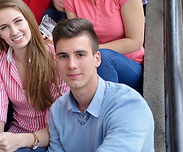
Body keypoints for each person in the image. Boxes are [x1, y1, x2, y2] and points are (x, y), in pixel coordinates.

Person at [0, 0, 70, 152]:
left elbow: (58, 127)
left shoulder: (55, 57)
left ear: (28, 20)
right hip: (15, 133)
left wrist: (20, 141)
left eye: (18, 21)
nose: (14, 32)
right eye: (4, 27)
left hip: (48, 138)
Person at [49, 18, 154, 151]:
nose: (72, 65)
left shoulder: (128, 103)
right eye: (63, 56)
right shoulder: (57, 110)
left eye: (80, 55)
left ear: (97, 59)